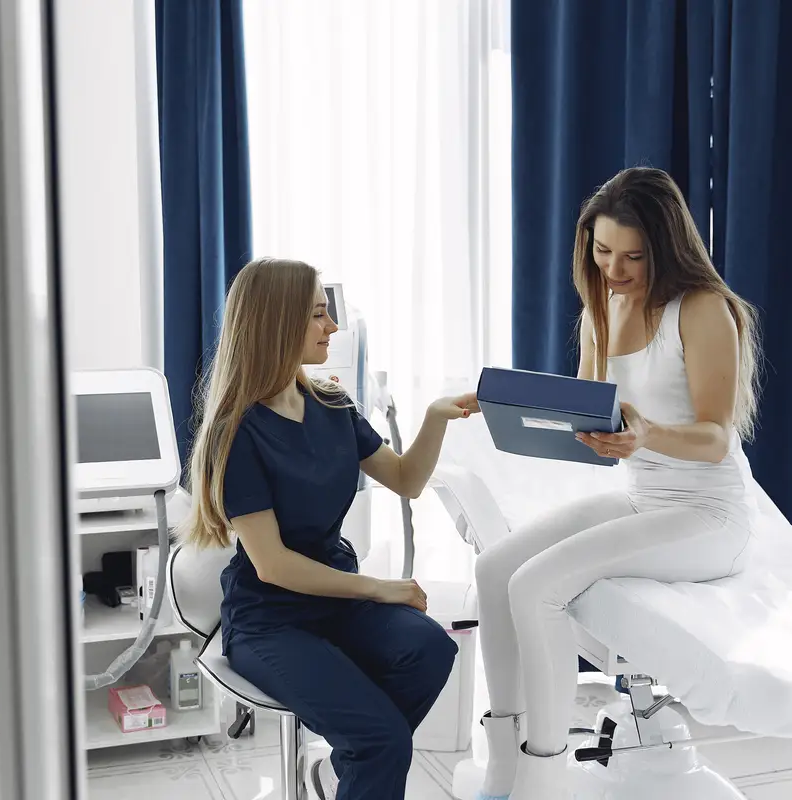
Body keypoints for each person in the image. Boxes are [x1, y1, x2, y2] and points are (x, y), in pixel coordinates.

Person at [472, 167, 761, 799]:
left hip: (709, 515)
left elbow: (716, 437)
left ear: (666, 248)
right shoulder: (600, 309)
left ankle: (542, 774)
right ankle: (503, 762)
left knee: (536, 587)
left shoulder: (703, 309)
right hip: (643, 498)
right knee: (495, 569)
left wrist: (648, 435)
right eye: (603, 252)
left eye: (633, 256)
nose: (615, 269)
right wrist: (510, 408)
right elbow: (590, 419)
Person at [181, 258, 480, 800]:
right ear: (278, 323)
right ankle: (365, 757)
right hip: (270, 618)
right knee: (381, 739)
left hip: (338, 605)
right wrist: (379, 586)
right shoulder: (238, 432)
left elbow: (407, 480)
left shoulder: (332, 404)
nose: (333, 327)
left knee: (432, 651)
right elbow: (273, 565)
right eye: (319, 314)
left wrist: (436, 417)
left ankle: (358, 762)